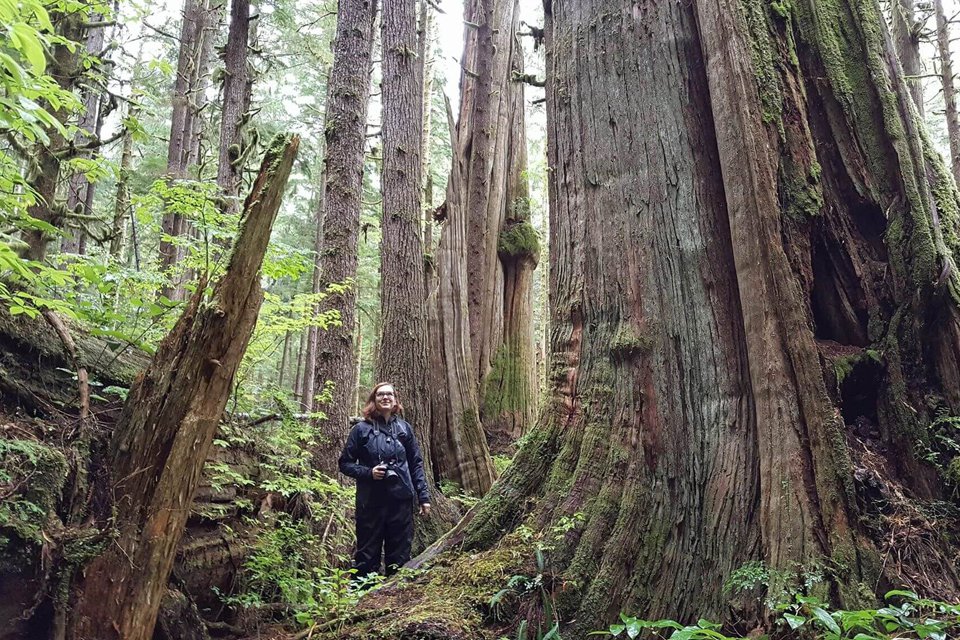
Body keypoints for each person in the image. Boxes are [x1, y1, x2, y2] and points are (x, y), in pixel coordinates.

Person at [338, 382, 432, 577]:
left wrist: (423, 497)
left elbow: (416, 464)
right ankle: (362, 598)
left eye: (389, 394)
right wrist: (369, 472)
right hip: (370, 502)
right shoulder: (361, 430)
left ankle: (396, 598)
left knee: (399, 555)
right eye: (380, 395)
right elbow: (345, 464)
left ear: (395, 400)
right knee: (367, 554)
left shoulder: (404, 429)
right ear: (374, 400)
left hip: (401, 501)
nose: (385, 398)